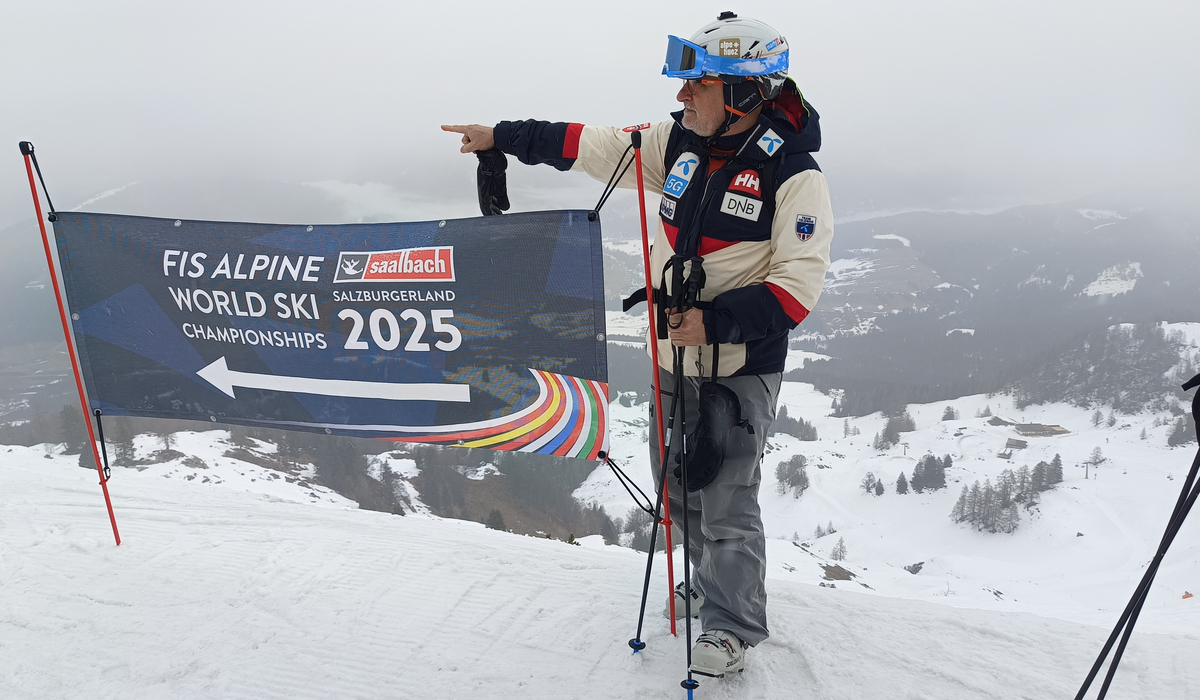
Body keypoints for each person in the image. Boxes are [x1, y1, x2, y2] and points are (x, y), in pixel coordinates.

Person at [442, 11, 833, 678]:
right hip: (672, 358)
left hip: (737, 366)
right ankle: (706, 583)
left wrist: (715, 322)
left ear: (742, 91)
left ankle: (731, 626)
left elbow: (798, 288)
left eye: (697, 84)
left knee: (728, 496)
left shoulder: (793, 174)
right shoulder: (679, 142)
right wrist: (501, 136)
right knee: (678, 482)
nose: (681, 95)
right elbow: (591, 145)